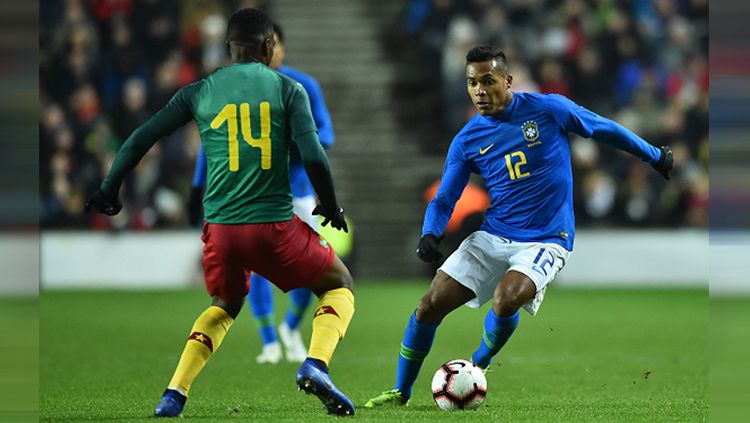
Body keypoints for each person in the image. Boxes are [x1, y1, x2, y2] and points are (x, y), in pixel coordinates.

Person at [365, 45, 673, 408]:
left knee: (507, 297)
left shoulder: (547, 109)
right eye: (472, 83)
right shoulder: (467, 141)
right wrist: (430, 232)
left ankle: (479, 362)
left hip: (548, 238)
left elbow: (601, 127)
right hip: (495, 233)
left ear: (508, 80)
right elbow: (445, 198)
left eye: (488, 81)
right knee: (429, 305)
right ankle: (400, 391)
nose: (479, 90)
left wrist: (653, 155)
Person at [85, 8, 356, 417]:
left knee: (225, 304)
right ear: (268, 46)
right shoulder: (289, 89)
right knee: (339, 284)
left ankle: (174, 393)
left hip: (220, 230)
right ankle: (316, 364)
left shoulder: (199, 90)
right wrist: (330, 204)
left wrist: (109, 188)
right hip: (273, 225)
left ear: (229, 48)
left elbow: (141, 137)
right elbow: (315, 155)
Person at [189, 21, 336, 365]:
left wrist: (298, 139)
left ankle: (290, 327)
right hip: (252, 192)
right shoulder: (233, 88)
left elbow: (325, 134)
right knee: (253, 267)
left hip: (296, 192)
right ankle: (269, 340)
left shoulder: (301, 86)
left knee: (309, 268)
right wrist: (199, 186)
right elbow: (211, 143)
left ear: (277, 47)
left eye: (276, 45)